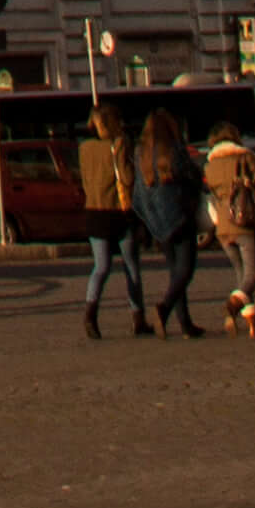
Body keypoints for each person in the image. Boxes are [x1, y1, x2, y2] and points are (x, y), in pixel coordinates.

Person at [131, 113, 207, 339]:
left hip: (158, 221)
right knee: (185, 269)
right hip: (180, 215)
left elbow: (139, 191)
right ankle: (164, 307)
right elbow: (192, 177)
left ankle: (185, 323)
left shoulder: (140, 154)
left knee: (175, 271)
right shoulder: (174, 150)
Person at [79, 103, 149, 339]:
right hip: (118, 212)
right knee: (131, 266)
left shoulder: (84, 148)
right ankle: (138, 317)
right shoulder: (118, 144)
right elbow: (127, 177)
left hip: (94, 212)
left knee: (101, 267)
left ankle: (90, 313)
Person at [202, 126, 255, 341]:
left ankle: (254, 325)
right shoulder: (245, 159)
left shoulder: (210, 165)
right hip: (244, 221)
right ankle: (232, 306)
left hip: (222, 227)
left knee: (241, 275)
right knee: (252, 276)